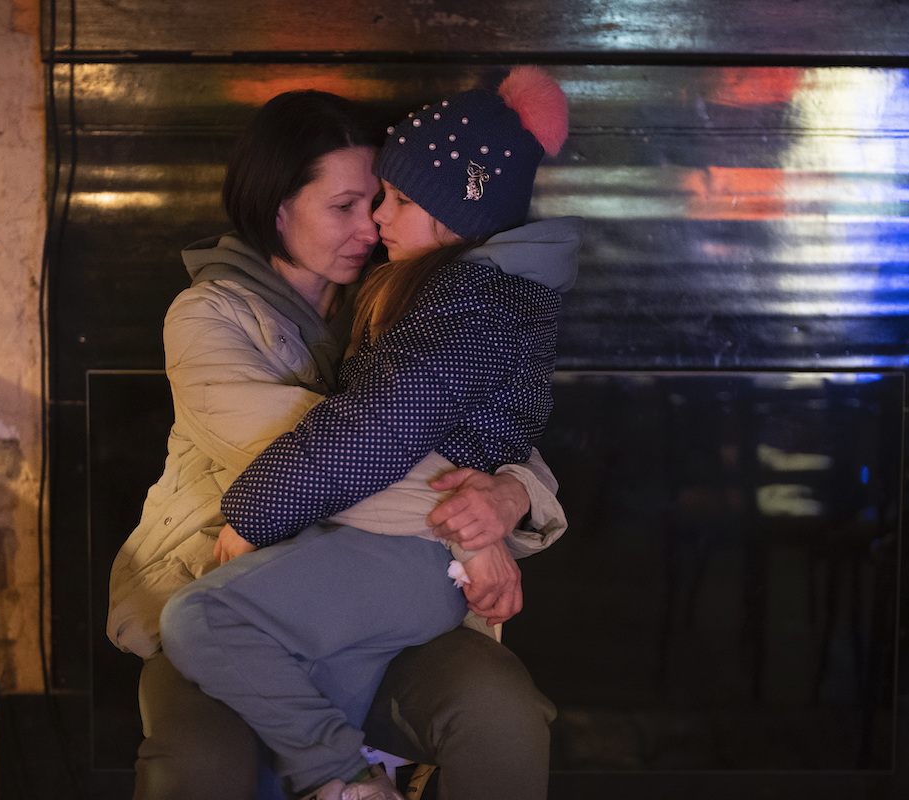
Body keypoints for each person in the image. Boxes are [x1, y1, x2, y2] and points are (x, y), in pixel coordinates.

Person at [109, 86, 571, 800]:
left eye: (385, 199)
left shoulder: (416, 295)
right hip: (233, 579)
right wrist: (468, 530)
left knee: (500, 711)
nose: (372, 223)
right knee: (210, 747)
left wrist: (511, 494)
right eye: (345, 205)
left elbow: (479, 426)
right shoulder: (206, 315)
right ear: (278, 207)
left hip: (366, 580)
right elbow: (345, 438)